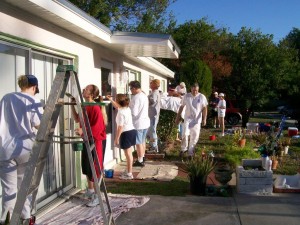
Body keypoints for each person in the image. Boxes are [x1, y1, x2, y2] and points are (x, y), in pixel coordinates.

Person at [0, 75, 43, 224]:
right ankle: (26, 218)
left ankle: (6, 220)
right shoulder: (33, 100)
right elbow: (39, 125)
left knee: (8, 191)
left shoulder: (6, 98)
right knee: (24, 187)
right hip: (24, 148)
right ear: (34, 87)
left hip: (5, 149)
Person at [71, 84, 106, 207]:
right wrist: (72, 106)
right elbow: (77, 119)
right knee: (86, 166)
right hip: (87, 139)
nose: (83, 90)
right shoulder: (84, 106)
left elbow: (99, 127)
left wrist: (83, 131)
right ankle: (91, 191)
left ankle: (97, 197)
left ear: (91, 95)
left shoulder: (95, 107)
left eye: (86, 89)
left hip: (95, 141)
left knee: (95, 168)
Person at [175, 83, 208, 158]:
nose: (194, 92)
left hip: (197, 120)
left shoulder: (202, 97)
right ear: (191, 89)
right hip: (188, 119)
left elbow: (205, 108)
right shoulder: (186, 96)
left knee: (195, 136)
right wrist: (177, 118)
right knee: (184, 134)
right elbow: (181, 107)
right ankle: (183, 149)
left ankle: (190, 152)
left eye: (196, 90)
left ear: (198, 89)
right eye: (193, 90)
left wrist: (204, 118)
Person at [109, 94, 137, 180]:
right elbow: (118, 106)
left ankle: (129, 174)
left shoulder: (121, 113)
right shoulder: (126, 109)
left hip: (126, 133)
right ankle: (129, 171)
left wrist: (116, 138)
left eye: (116, 99)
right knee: (129, 154)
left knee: (128, 154)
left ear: (119, 101)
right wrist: (110, 100)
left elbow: (120, 127)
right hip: (132, 131)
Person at [129, 81, 150, 167]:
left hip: (139, 123)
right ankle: (143, 157)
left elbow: (134, 112)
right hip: (145, 122)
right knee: (142, 141)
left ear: (134, 88)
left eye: (131, 89)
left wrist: (127, 108)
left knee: (138, 143)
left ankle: (140, 160)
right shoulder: (144, 95)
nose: (130, 91)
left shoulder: (136, 98)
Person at [147, 79, 161, 152]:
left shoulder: (154, 93)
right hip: (153, 114)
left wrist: (145, 100)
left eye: (151, 83)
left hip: (153, 115)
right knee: (151, 131)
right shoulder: (154, 92)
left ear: (154, 85)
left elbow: (152, 101)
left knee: (152, 131)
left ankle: (154, 147)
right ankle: (153, 145)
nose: (150, 84)